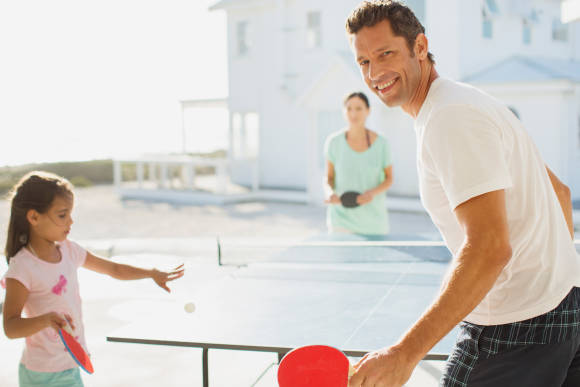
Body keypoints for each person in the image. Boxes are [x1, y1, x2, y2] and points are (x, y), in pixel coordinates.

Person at [345, 2, 579, 386]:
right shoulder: (469, 102)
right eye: (364, 62)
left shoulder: (448, 118)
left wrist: (405, 354)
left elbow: (489, 247)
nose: (375, 72)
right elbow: (560, 192)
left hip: (512, 329)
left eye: (385, 53)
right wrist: (554, 287)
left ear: (420, 46)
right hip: (566, 312)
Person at [2, 171, 185, 387]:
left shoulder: (70, 251)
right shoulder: (23, 267)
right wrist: (44, 320)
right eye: (62, 215)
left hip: (71, 364)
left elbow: (114, 269)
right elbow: (10, 327)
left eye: (70, 213)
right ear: (33, 217)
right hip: (43, 374)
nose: (70, 221)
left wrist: (151, 273)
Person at [324, 91, 394, 235]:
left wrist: (372, 193)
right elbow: (329, 178)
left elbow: (389, 179)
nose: (353, 113)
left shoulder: (382, 144)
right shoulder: (333, 142)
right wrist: (330, 192)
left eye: (358, 108)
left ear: (368, 111)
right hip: (340, 222)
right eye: (349, 109)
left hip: (373, 224)